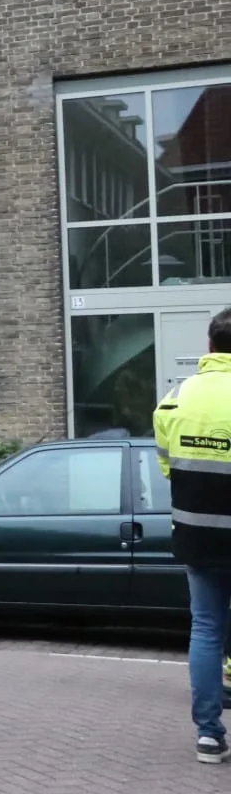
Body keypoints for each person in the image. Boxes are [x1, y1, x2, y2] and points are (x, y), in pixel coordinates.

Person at [152, 305, 231, 763]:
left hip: (198, 534)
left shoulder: (175, 400)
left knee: (206, 628)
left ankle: (208, 735)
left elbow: (169, 466)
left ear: (210, 346)